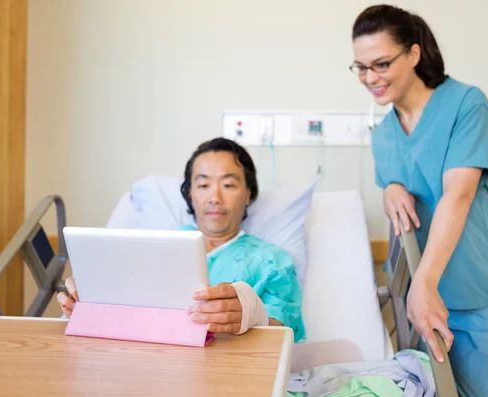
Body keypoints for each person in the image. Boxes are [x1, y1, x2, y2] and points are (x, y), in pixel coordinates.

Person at [349, 5, 488, 397]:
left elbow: (459, 194)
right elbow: (399, 178)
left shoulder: (466, 104)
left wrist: (425, 281)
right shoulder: (383, 134)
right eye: (360, 67)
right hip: (415, 301)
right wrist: (390, 187)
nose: (371, 77)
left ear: (414, 53)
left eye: (381, 63)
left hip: (473, 294)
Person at [58, 138, 306, 343]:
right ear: (190, 194)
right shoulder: (149, 249)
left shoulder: (273, 262)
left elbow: (284, 333)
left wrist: (255, 316)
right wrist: (88, 300)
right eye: (204, 184)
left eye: (229, 184)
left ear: (248, 194)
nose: (215, 197)